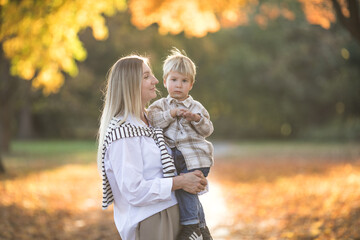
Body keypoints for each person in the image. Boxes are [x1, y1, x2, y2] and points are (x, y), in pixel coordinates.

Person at [97, 55, 207, 240]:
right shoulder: (123, 131)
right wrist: (180, 182)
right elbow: (134, 190)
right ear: (130, 84)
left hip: (175, 211)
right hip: (152, 219)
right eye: (147, 76)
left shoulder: (153, 120)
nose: (156, 80)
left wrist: (195, 177)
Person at [147, 48, 214, 240]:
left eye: (184, 81)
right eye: (174, 80)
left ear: (191, 85)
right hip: (174, 158)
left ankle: (190, 225)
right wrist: (172, 114)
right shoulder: (159, 105)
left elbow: (208, 130)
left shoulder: (196, 107)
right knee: (188, 188)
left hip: (196, 157)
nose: (178, 85)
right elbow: (153, 121)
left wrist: (196, 119)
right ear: (166, 80)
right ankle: (202, 229)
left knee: (186, 187)